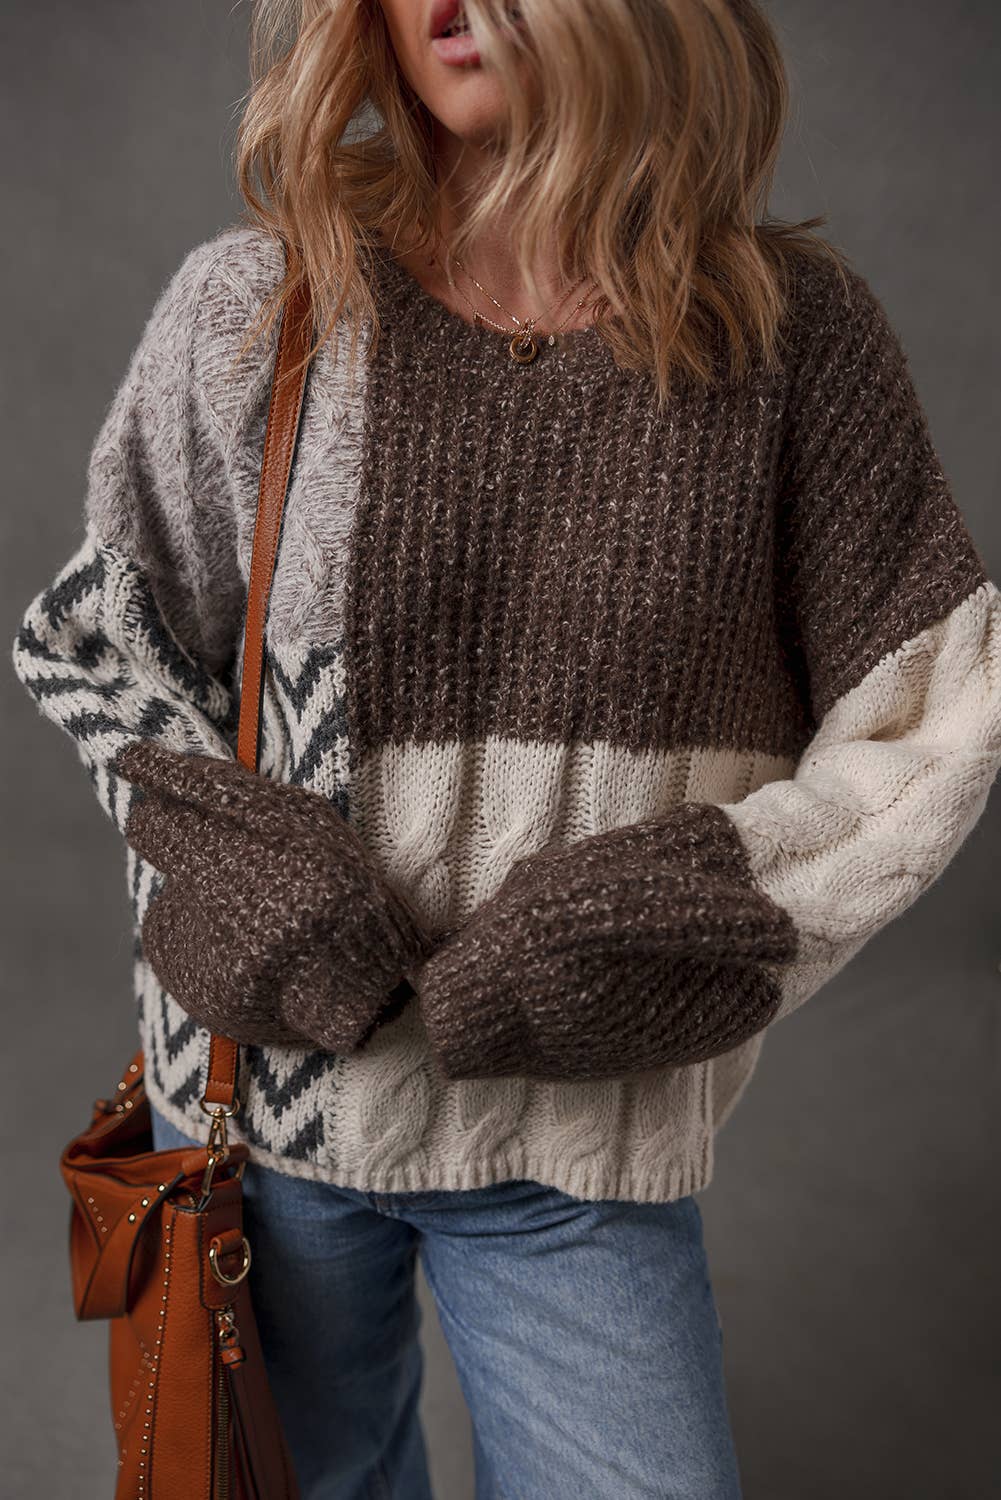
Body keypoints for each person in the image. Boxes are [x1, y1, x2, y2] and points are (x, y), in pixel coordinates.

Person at [11, 1, 1001, 1496]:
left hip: (578, 1138)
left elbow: (935, 708)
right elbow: (100, 635)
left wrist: (667, 922)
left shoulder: (785, 339)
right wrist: (241, 867)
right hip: (265, 1116)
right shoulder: (265, 303)